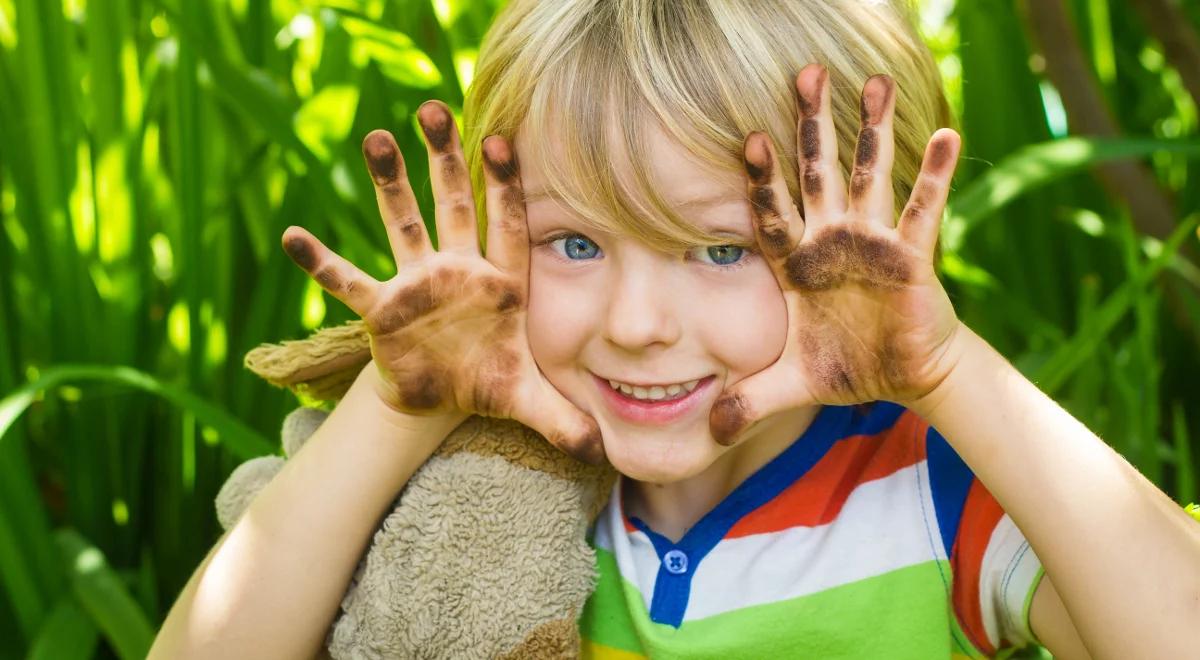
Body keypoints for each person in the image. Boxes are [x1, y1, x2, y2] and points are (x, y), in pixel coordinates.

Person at [149, 0, 1199, 658]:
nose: (638, 325)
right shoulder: (467, 489)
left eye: (724, 250)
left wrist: (948, 371)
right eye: (573, 244)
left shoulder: (931, 496)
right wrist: (391, 412)